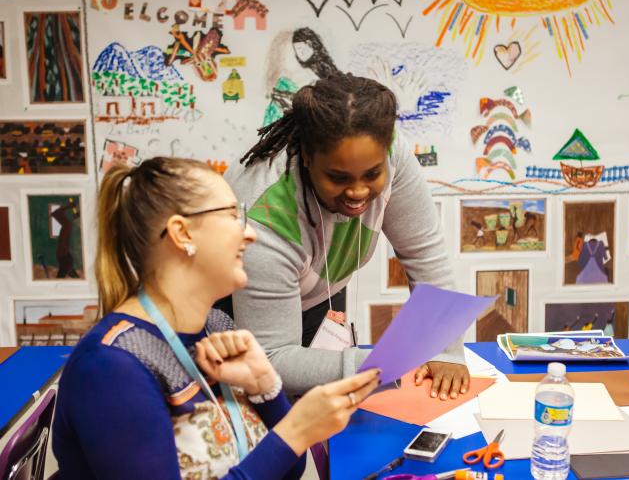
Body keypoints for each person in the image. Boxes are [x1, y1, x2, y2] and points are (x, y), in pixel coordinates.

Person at [52, 157, 380, 479]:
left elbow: (288, 470)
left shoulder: (216, 328)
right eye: (234, 215)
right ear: (182, 234)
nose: (250, 233)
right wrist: (296, 431)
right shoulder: (111, 366)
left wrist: (265, 389)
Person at [224, 72, 469, 400]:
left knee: (331, 421)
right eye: (338, 177)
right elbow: (270, 358)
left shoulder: (389, 151)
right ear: (308, 158)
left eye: (372, 174)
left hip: (318, 293)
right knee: (279, 425)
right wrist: (382, 365)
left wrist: (444, 350)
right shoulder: (264, 219)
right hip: (242, 313)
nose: (357, 192)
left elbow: (424, 253)